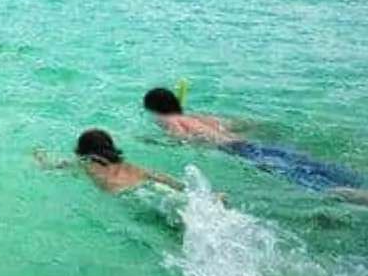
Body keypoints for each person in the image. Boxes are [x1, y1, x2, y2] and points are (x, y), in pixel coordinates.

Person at [142, 87, 368, 204]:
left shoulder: (171, 121)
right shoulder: (200, 117)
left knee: (306, 181)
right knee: (312, 166)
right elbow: (237, 124)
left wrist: (153, 141)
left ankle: (354, 196)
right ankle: (355, 183)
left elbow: (183, 140)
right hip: (255, 144)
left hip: (241, 151)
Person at [35, 128, 186, 195]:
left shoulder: (85, 162)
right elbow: (159, 176)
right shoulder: (127, 165)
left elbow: (52, 166)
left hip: (122, 193)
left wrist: (38, 156)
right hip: (147, 186)